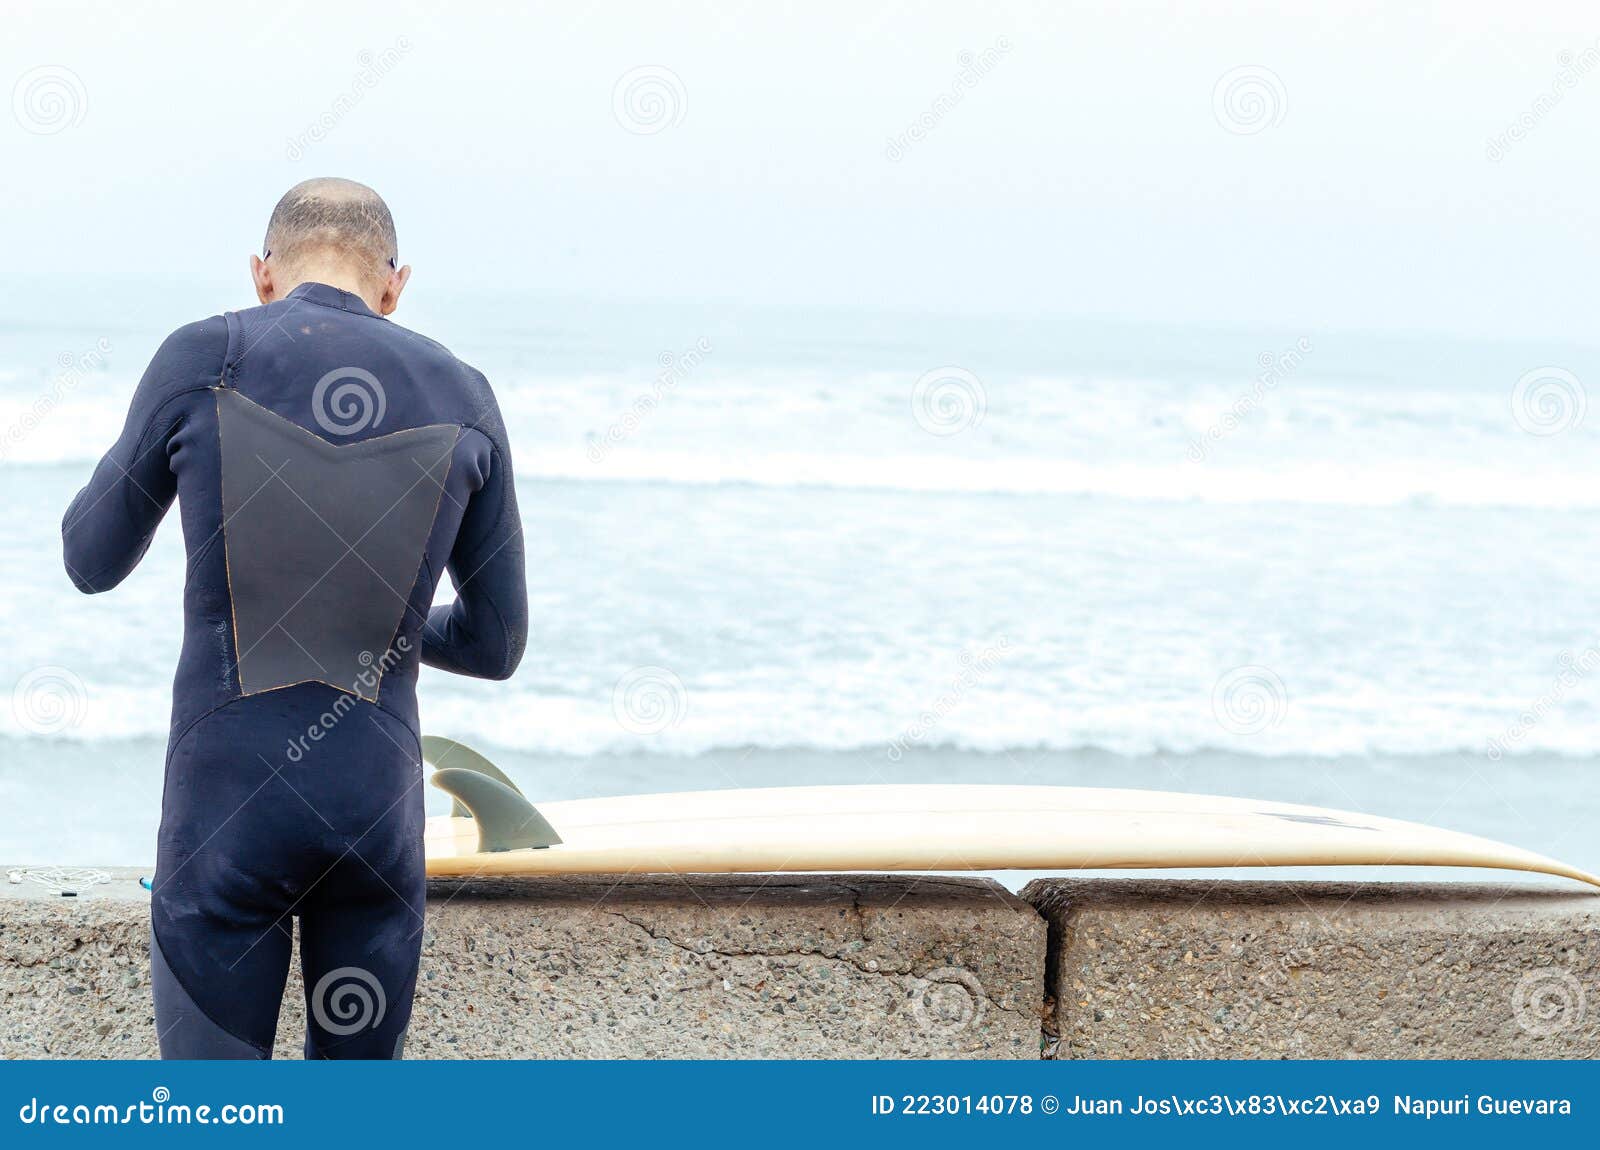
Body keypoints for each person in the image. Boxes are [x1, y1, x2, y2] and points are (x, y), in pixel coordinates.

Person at [60, 177, 528, 1059]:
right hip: (375, 821)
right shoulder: (466, 393)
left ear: (261, 275)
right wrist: (377, 622)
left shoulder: (204, 355)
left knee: (217, 1121)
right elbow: (497, 643)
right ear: (396, 286)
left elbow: (90, 558)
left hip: (225, 814)